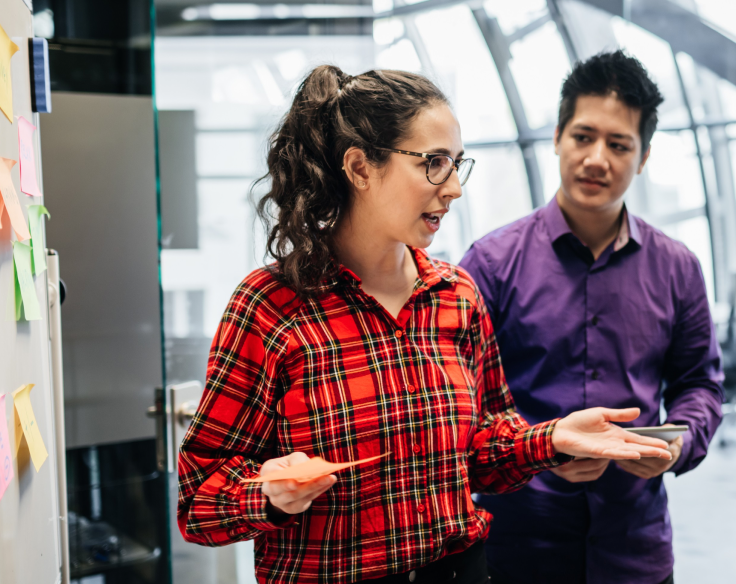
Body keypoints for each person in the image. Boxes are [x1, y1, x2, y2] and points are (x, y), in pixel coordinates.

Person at [174, 65, 674, 584]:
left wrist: (551, 439)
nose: (454, 188)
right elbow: (199, 500)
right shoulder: (271, 306)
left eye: (457, 165)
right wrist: (267, 494)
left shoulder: (456, 296)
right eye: (435, 164)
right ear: (361, 168)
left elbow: (480, 451)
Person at [459, 50, 724, 584]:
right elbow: (458, 402)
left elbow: (701, 384)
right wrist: (539, 449)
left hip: (635, 546)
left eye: (619, 144)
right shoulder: (490, 263)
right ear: (558, 136)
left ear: (643, 157)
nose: (597, 158)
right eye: (583, 137)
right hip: (518, 544)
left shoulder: (677, 267)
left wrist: (676, 447)